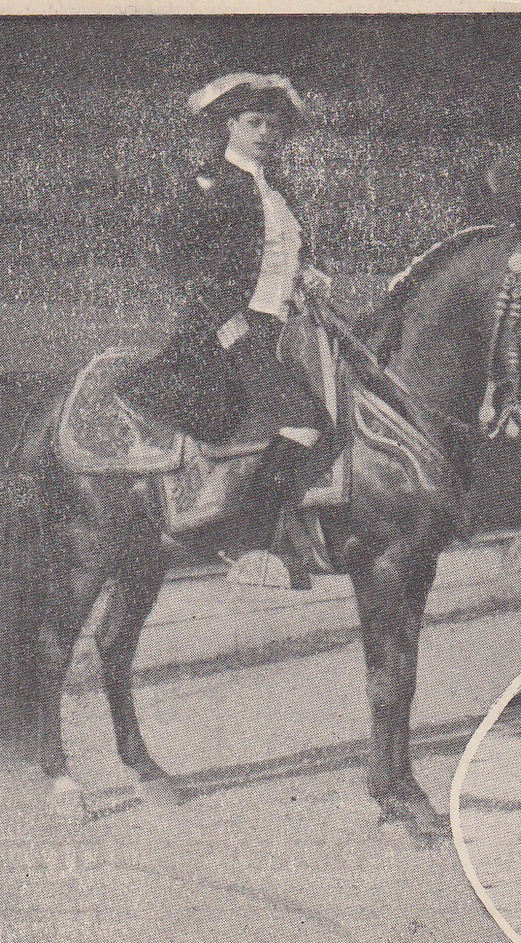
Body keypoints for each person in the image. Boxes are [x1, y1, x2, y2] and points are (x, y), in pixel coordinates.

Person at [118, 72, 333, 588]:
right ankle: (250, 542)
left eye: (270, 124)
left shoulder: (278, 190)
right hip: (229, 331)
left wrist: (307, 274)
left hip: (283, 326)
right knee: (305, 423)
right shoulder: (208, 182)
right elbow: (178, 260)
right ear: (229, 125)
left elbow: (276, 256)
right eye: (251, 121)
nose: (263, 132)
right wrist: (225, 321)